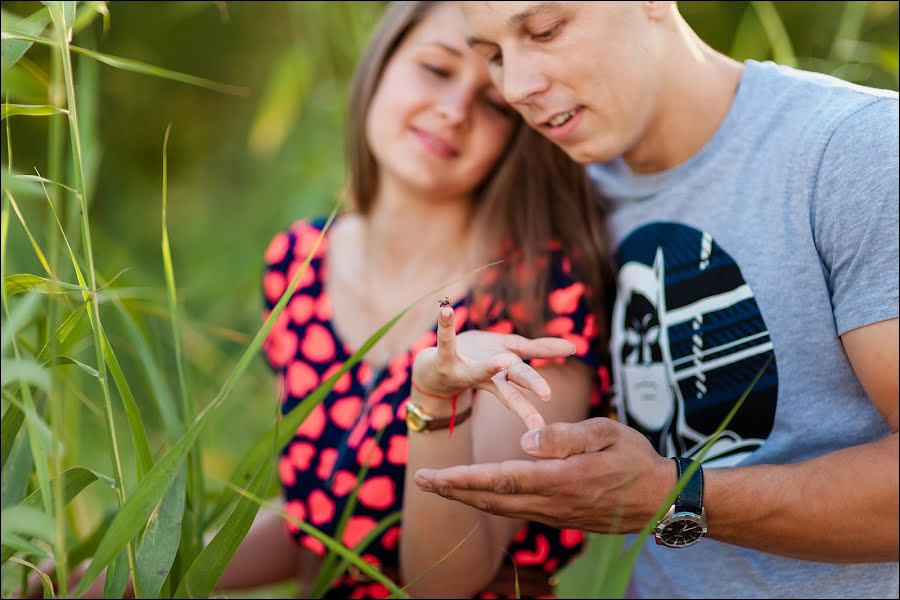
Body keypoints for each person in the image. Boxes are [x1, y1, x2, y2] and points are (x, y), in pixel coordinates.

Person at [413, 1, 899, 598]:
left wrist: (674, 496)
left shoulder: (857, 150)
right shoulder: (558, 200)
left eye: (545, 30)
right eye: (491, 55)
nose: (516, 86)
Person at [233, 1, 615, 598]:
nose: (452, 110)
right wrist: (127, 573)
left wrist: (437, 399)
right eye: (436, 70)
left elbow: (447, 579)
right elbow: (320, 519)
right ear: (381, 62)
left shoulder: (540, 295)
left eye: (493, 103)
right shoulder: (299, 262)